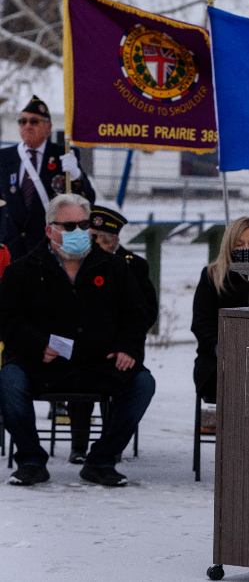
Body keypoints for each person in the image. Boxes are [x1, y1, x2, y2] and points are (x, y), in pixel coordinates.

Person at [0, 194, 154, 487]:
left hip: (99, 363)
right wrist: (36, 344)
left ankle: (101, 460)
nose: (78, 232)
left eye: (83, 225)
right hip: (43, 364)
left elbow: (136, 315)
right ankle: (31, 460)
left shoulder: (115, 268)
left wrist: (127, 347)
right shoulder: (22, 270)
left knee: (143, 384)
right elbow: (7, 320)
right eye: (69, 226)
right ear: (49, 230)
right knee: (9, 380)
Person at [66, 205, 159, 464]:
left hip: (122, 345)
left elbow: (146, 310)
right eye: (90, 235)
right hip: (86, 343)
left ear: (114, 239)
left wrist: (123, 341)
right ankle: (79, 444)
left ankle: (109, 444)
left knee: (125, 382)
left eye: (98, 237)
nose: (92, 241)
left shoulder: (134, 266)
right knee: (78, 372)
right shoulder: (76, 264)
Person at [191, 217, 249, 403]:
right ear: (229, 247)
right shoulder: (212, 276)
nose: (246, 249)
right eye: (239, 245)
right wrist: (223, 348)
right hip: (220, 361)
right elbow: (202, 322)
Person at [0, 95, 95, 261]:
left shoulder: (63, 155)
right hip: (10, 248)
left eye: (34, 121)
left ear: (48, 126)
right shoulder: (5, 157)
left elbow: (87, 198)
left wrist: (76, 175)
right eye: (23, 121)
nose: (27, 126)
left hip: (47, 248)